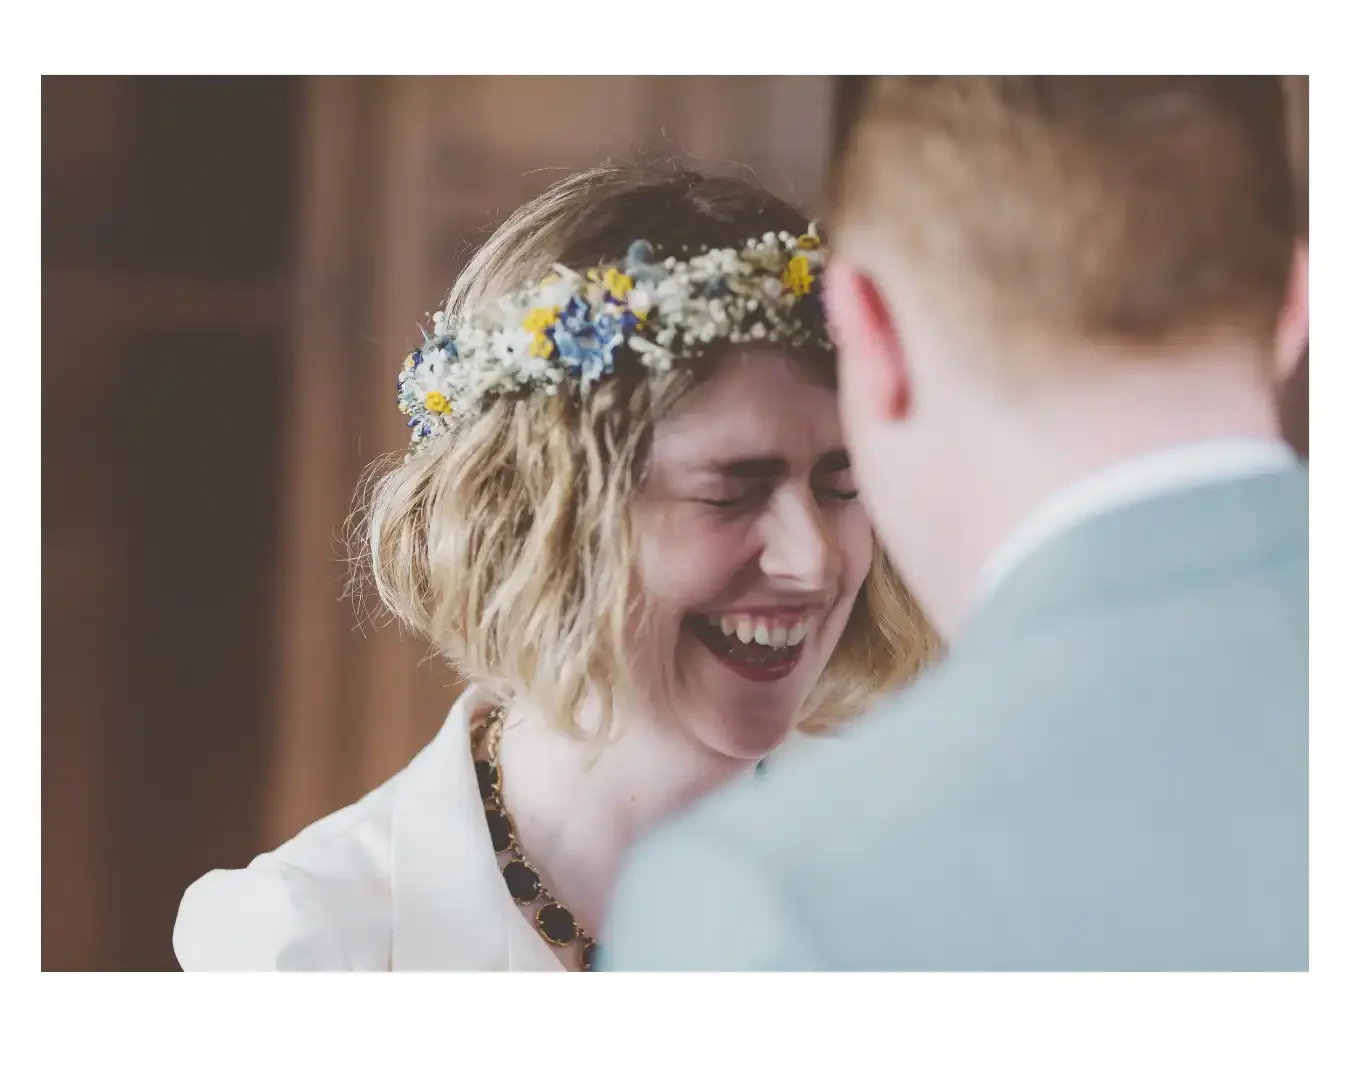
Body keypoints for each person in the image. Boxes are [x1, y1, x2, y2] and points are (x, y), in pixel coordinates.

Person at [601, 76, 1309, 971]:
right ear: (1296, 306)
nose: (808, 557)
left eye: (836, 482)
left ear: (869, 334)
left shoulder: (778, 899)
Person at [171, 164, 935, 971]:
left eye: (842, 485)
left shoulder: (925, 879)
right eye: (729, 492)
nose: (812, 559)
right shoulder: (309, 948)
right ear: (540, 513)